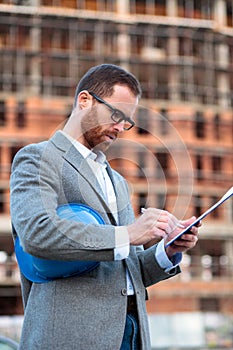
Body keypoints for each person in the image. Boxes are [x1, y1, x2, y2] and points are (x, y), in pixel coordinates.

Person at [10, 64, 199, 350]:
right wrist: (129, 233)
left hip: (132, 335)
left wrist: (167, 250)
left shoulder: (119, 182)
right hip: (71, 338)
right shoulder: (37, 158)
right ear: (84, 101)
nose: (121, 127)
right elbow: (38, 233)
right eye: (116, 114)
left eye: (127, 122)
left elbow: (124, 271)